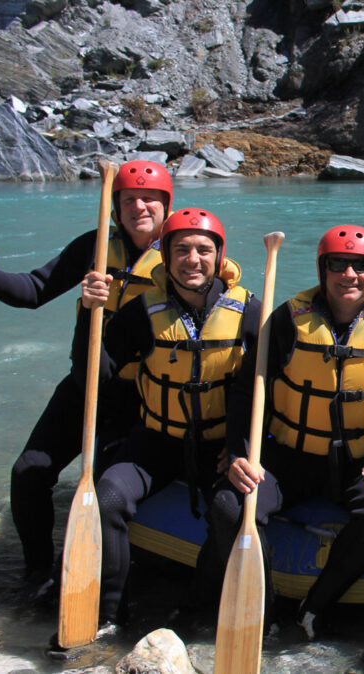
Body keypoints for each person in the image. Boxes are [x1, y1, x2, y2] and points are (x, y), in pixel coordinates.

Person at [212, 225, 364, 651]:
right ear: (322, 270)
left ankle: (316, 604)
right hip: (289, 456)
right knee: (229, 505)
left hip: (359, 463)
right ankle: (264, 611)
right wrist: (238, 452)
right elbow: (244, 391)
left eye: (361, 266)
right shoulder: (288, 321)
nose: (350, 274)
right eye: (338, 265)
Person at [0, 159, 172, 597]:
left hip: (144, 398)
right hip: (85, 385)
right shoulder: (94, 247)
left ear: (167, 206)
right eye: (129, 200)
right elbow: (35, 289)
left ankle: (104, 588)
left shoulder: (183, 254)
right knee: (29, 472)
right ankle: (38, 572)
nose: (139, 207)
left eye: (150, 199)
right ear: (115, 207)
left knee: (110, 489)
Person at [75, 208, 259, 637]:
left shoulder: (250, 312)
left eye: (203, 250)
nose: (192, 259)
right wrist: (90, 312)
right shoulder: (142, 311)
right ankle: (111, 613)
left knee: (228, 511)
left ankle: (196, 605)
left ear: (219, 257)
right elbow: (98, 374)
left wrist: (241, 447)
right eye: (181, 250)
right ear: (165, 256)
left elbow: (264, 391)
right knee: (110, 497)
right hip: (157, 439)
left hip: (219, 445)